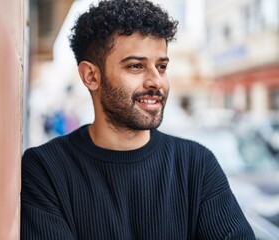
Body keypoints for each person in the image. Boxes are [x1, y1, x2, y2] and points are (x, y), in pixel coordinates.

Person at [20, 0, 256, 239]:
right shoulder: (46, 168)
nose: (157, 81)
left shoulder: (196, 165)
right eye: (135, 66)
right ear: (91, 76)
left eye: (161, 66)